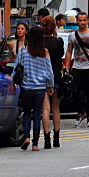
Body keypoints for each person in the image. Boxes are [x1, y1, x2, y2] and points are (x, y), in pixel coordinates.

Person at [12, 26, 55, 152]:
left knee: (26, 112)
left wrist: (13, 83)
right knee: (37, 114)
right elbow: (49, 71)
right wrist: (50, 85)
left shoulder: (23, 50)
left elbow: (16, 68)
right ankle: (35, 144)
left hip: (26, 86)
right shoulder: (45, 52)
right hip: (40, 87)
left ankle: (26, 136)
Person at [40, 15, 64, 148]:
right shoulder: (58, 42)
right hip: (56, 76)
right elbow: (60, 56)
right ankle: (56, 138)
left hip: (41, 77)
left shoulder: (39, 43)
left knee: (45, 108)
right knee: (56, 108)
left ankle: (47, 139)